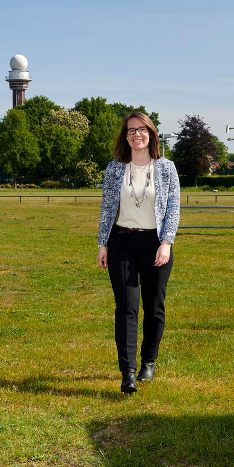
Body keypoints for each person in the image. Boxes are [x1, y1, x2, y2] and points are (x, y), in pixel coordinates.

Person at [96, 112, 180, 394]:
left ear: (151, 134)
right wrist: (102, 244)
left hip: (156, 244)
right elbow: (107, 208)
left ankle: (149, 361)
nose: (136, 135)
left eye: (141, 130)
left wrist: (166, 242)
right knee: (127, 307)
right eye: (131, 131)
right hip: (122, 242)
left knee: (154, 308)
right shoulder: (115, 169)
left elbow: (173, 209)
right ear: (125, 137)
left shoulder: (167, 168)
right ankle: (128, 371)